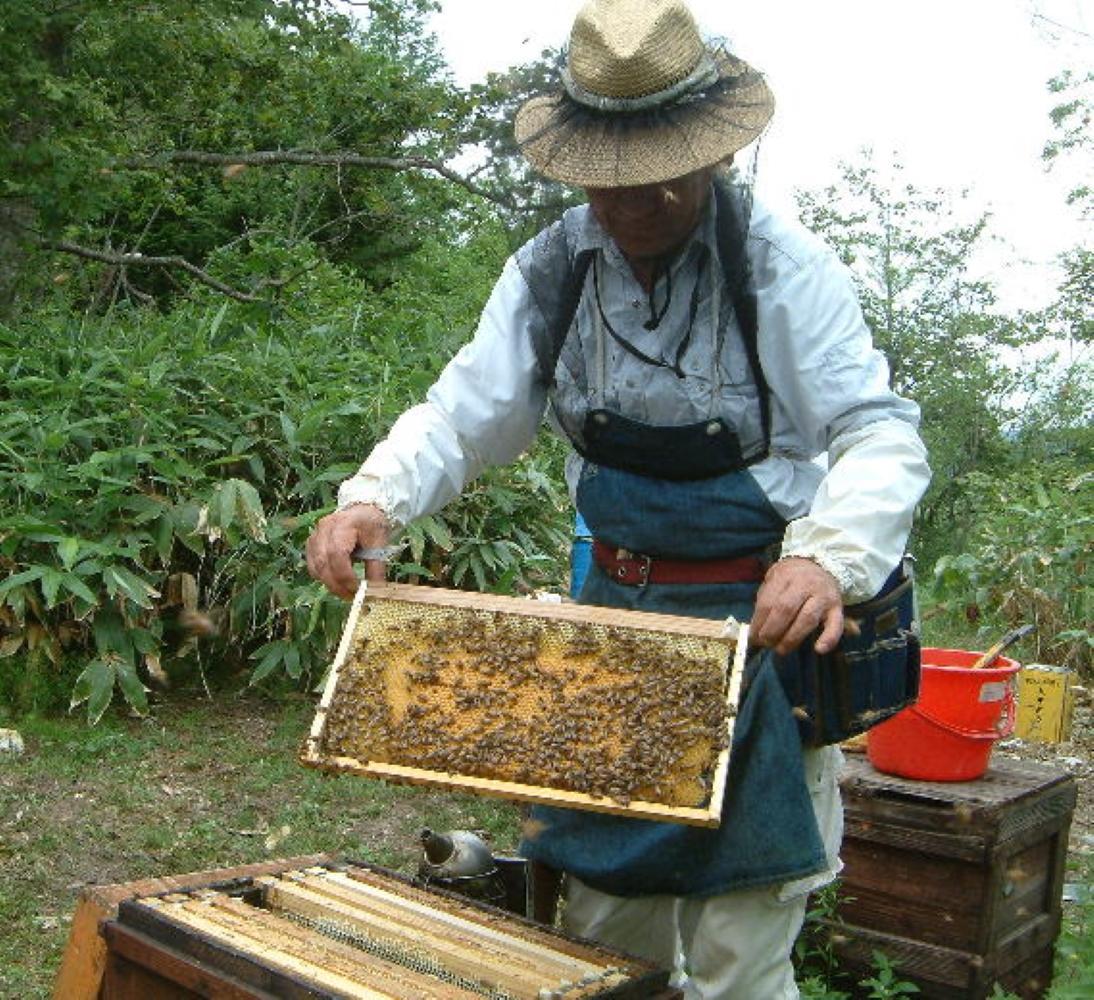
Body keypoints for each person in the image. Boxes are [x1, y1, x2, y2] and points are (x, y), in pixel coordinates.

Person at [306, 0, 931, 995]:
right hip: (611, 627)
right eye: (610, 179)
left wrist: (825, 556)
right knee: (601, 937)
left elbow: (877, 430)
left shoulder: (778, 270)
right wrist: (375, 498)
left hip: (754, 636)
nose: (634, 200)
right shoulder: (551, 269)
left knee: (738, 948)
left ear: (713, 154)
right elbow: (465, 413)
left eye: (660, 175)